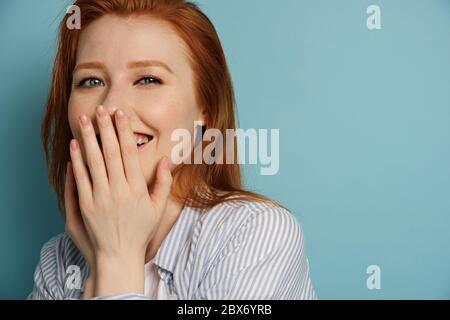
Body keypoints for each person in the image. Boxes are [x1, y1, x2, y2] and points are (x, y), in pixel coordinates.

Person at [28, 0, 316, 300]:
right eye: (91, 80)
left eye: (148, 79)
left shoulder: (258, 234)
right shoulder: (59, 261)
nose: (110, 107)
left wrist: (115, 259)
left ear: (205, 108)